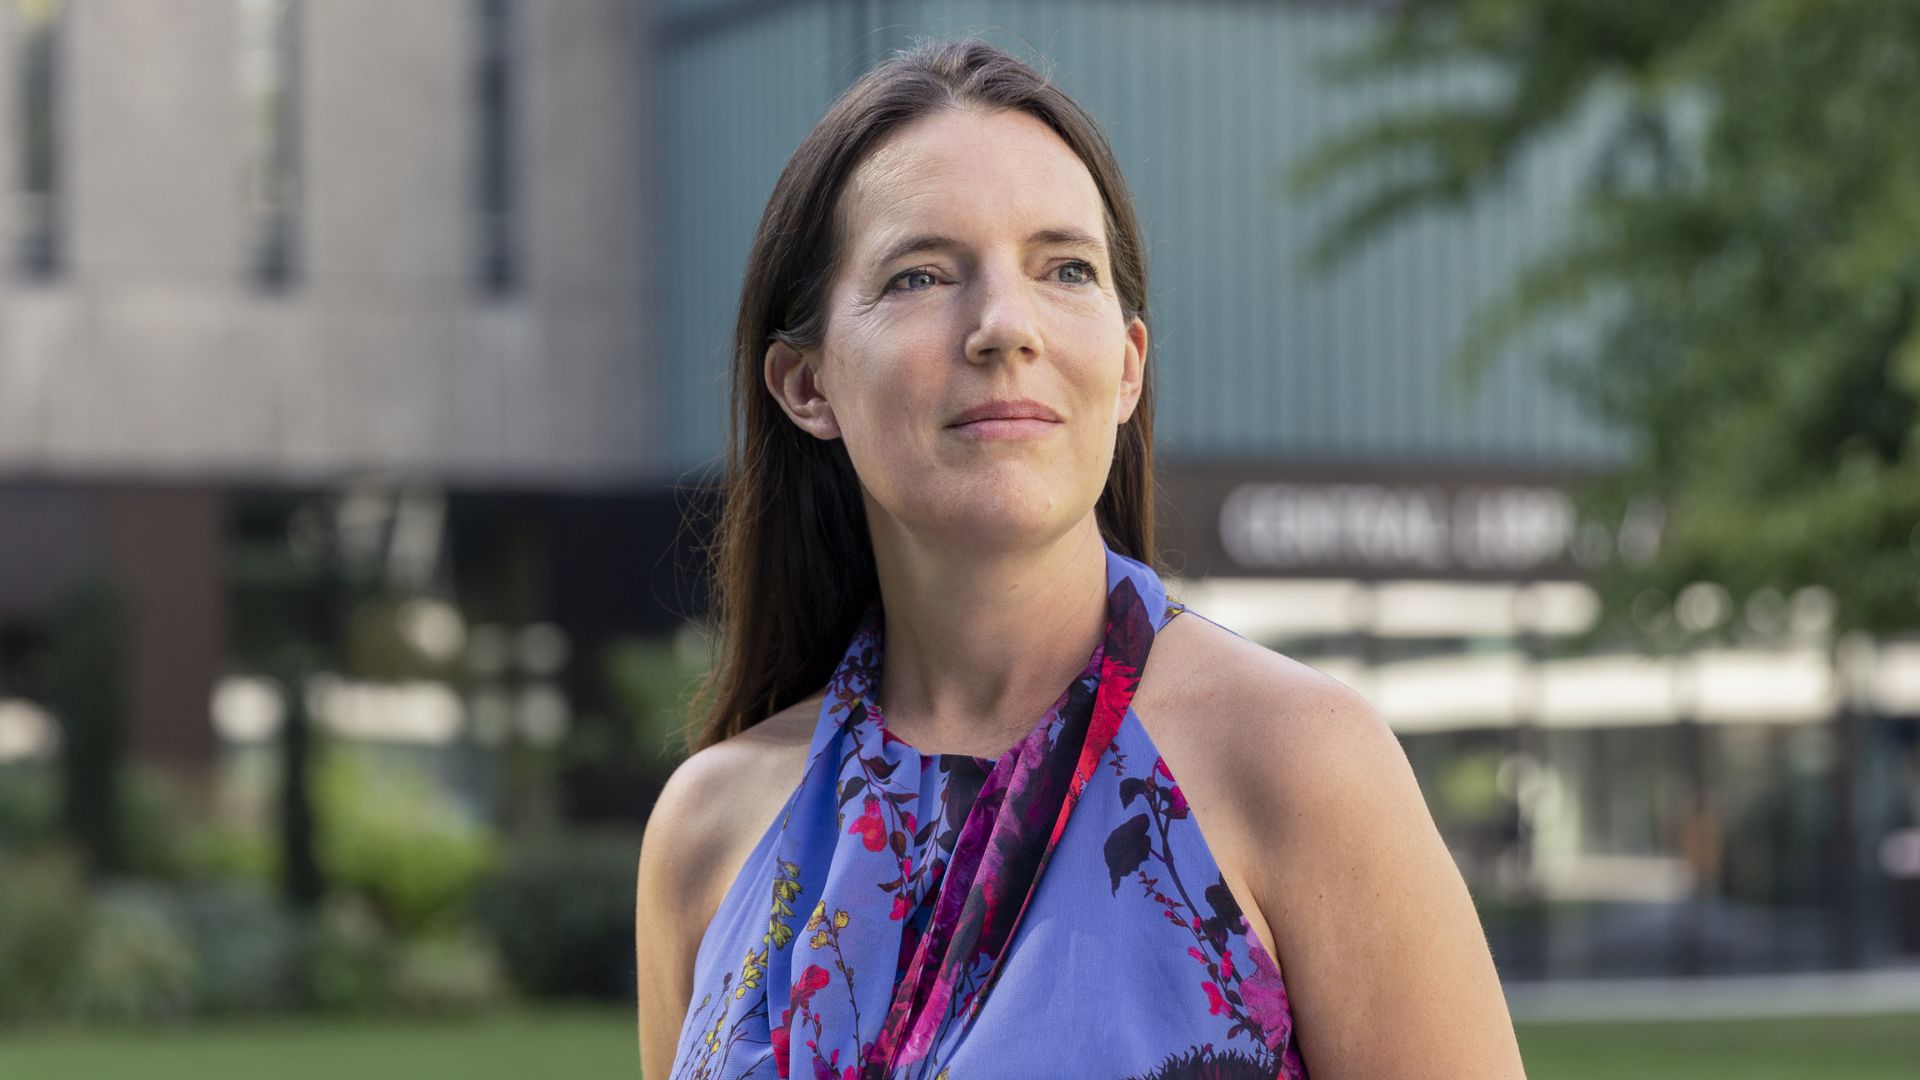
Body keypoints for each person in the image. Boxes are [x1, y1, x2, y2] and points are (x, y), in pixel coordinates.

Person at [635, 37, 1527, 1080]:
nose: (1004, 327)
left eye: (1065, 269)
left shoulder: (1297, 764)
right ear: (805, 384)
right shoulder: (708, 830)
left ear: (1128, 368)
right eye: (921, 274)